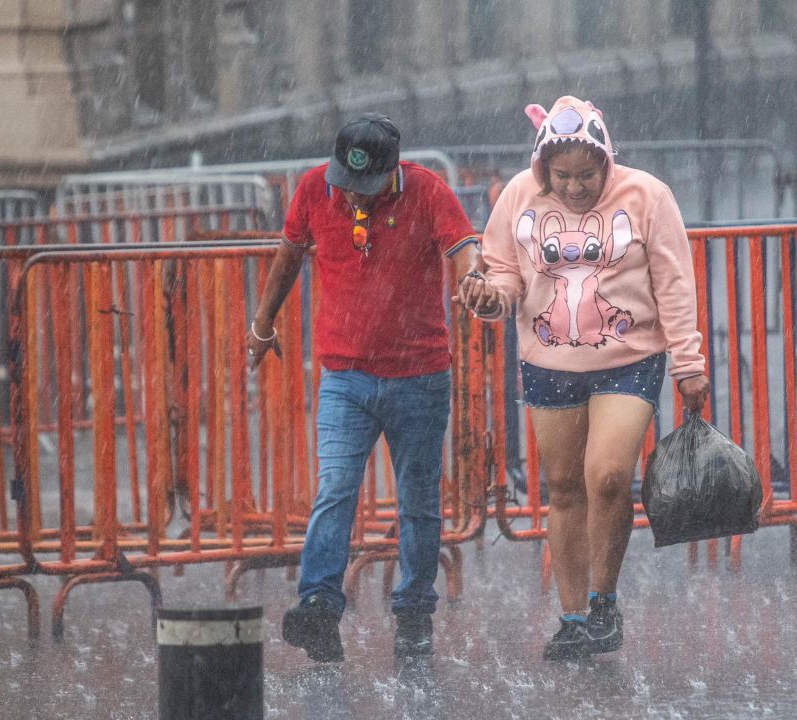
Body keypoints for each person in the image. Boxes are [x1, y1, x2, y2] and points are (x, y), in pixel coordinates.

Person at [457, 95, 710, 659]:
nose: (574, 188)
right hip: (548, 364)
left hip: (630, 358)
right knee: (565, 490)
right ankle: (573, 619)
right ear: (543, 167)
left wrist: (689, 364)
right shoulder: (519, 196)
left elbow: (674, 283)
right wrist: (486, 296)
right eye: (562, 176)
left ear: (607, 163)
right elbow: (502, 275)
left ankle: (605, 601)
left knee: (609, 475)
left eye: (586, 176)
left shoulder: (647, 196)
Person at [246, 113, 484, 661]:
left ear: (393, 170)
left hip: (420, 376)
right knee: (336, 488)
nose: (354, 199)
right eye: (347, 187)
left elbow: (461, 245)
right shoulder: (313, 188)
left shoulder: (426, 191)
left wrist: (474, 277)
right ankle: (320, 607)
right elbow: (288, 256)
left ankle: (415, 611)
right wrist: (263, 324)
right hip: (344, 376)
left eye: (367, 190)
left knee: (418, 502)